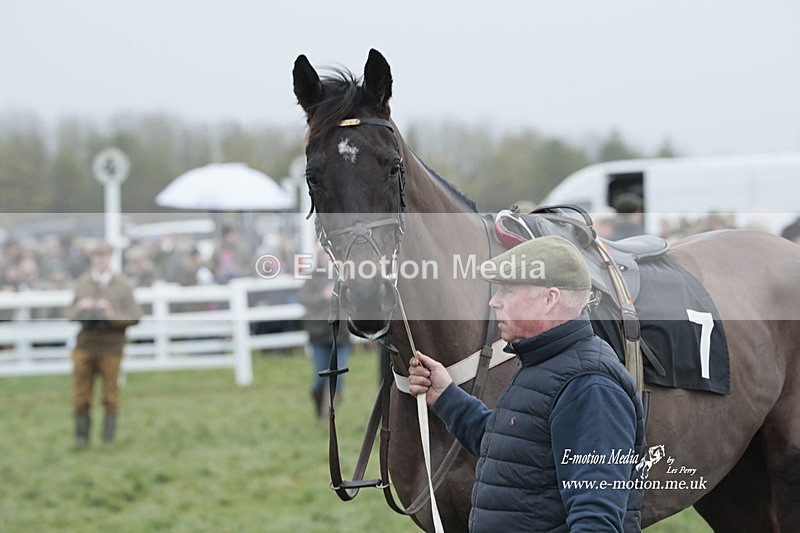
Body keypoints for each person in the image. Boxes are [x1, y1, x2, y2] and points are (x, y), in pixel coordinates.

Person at [409, 236, 645, 532]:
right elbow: (514, 451)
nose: (494, 301)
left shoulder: (590, 385)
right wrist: (447, 397)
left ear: (549, 300)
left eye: (507, 290)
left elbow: (596, 520)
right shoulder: (545, 363)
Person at [65, 241, 141, 446]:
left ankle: (108, 440)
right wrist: (81, 308)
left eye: (104, 255)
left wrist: (111, 314)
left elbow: (134, 316)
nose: (100, 259)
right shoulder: (83, 283)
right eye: (96, 256)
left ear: (110, 257)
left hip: (111, 347)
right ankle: (81, 439)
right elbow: (69, 314)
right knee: (81, 396)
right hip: (86, 345)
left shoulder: (122, 284)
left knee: (110, 396)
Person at [298, 252, 352, 419]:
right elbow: (303, 298)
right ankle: (318, 403)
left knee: (338, 376)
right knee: (320, 378)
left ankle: (328, 416)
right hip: (319, 335)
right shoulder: (313, 278)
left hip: (341, 335)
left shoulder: (346, 276)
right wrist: (322, 295)